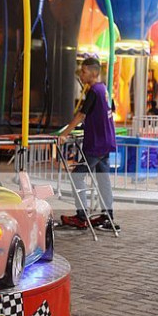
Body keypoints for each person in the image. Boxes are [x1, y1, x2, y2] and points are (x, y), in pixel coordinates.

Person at [58, 57, 119, 231]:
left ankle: (81, 216)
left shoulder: (94, 91)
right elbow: (108, 110)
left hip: (97, 144)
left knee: (77, 176)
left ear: (93, 73)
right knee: (103, 179)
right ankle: (107, 216)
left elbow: (81, 115)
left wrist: (64, 133)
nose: (81, 75)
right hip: (106, 142)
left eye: (84, 71)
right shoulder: (103, 89)